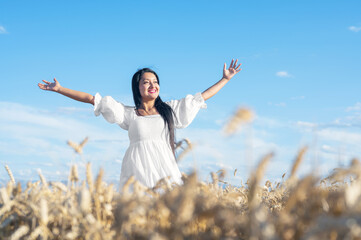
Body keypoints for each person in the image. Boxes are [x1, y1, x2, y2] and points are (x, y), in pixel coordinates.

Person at [38, 59, 242, 189]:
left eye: (155, 81)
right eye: (146, 82)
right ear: (138, 87)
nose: (152, 85)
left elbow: (201, 98)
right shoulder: (128, 114)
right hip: (136, 172)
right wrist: (60, 89)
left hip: (165, 171)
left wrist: (225, 79)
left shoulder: (170, 110)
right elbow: (92, 99)